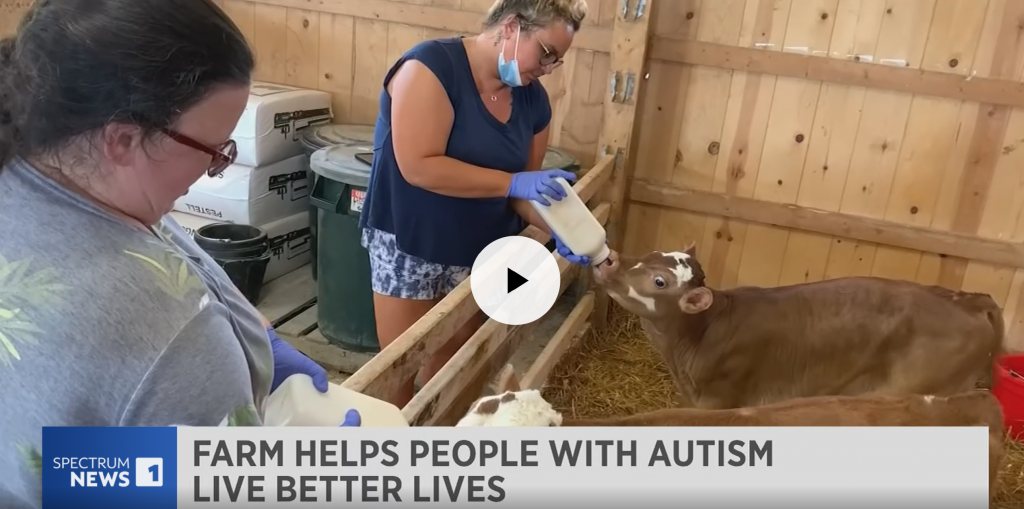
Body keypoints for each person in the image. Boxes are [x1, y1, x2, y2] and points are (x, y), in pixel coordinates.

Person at [0, 1, 356, 507]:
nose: (214, 166)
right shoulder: (168, 335)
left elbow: (75, 468)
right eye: (213, 150)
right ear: (122, 139)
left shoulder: (49, 164)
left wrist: (251, 329)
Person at [358, 0, 592, 406]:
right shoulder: (431, 68)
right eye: (547, 53)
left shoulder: (533, 101)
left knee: (451, 374)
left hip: (480, 253)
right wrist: (512, 181)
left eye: (558, 60)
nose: (549, 68)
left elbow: (522, 196)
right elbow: (418, 166)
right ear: (512, 27)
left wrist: (563, 232)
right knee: (397, 372)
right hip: (410, 244)